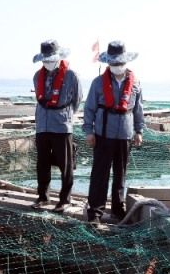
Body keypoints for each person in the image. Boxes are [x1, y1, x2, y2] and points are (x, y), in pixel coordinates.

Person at [82, 40, 144, 224]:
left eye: (120, 63)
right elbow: (89, 109)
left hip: (124, 135)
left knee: (120, 174)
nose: (117, 66)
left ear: (126, 62)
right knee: (99, 174)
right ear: (108, 63)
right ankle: (95, 212)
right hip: (102, 134)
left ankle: (118, 209)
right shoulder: (98, 82)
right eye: (113, 63)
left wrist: (139, 131)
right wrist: (88, 131)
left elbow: (138, 109)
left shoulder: (135, 83)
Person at [31, 39, 84, 212]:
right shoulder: (37, 76)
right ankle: (43, 197)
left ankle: (64, 199)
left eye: (50, 59)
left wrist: (65, 115)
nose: (47, 62)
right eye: (44, 60)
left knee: (65, 163)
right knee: (42, 162)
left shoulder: (72, 75)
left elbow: (77, 99)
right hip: (42, 125)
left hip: (62, 125)